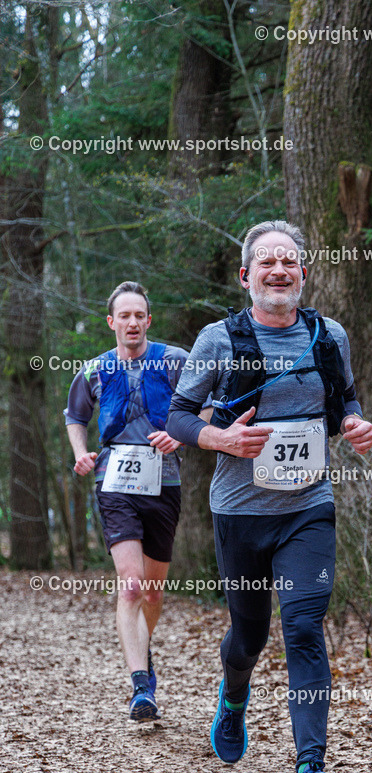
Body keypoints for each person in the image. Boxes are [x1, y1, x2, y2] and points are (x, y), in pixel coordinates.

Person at [167, 219, 372, 773]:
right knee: (250, 636)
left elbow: (345, 400)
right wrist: (222, 439)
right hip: (240, 512)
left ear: (303, 274)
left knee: (304, 627)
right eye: (267, 262)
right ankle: (234, 697)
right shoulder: (218, 339)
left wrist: (353, 424)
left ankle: (311, 770)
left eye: (289, 262)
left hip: (308, 508)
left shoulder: (328, 335)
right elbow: (179, 416)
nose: (279, 270)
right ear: (246, 276)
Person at [65, 282, 203, 722]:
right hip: (114, 482)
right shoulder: (94, 369)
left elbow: (209, 406)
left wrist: (182, 434)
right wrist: (80, 453)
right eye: (124, 316)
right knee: (131, 584)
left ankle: (143, 650)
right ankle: (141, 685)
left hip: (164, 482)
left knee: (154, 591)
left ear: (148, 320)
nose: (132, 322)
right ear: (112, 322)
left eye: (139, 315)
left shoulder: (176, 360)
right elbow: (75, 415)